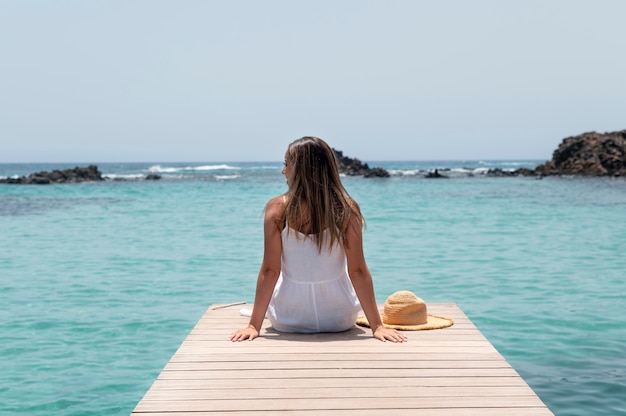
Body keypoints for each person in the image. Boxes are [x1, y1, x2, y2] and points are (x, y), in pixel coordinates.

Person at [230, 136, 407, 343]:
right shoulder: (347, 209)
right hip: (338, 319)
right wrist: (377, 326)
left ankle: (257, 314)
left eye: (286, 164)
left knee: (280, 280)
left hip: (289, 318)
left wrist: (253, 325)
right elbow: (357, 271)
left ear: (301, 169)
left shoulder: (277, 209)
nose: (283, 170)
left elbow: (270, 271)